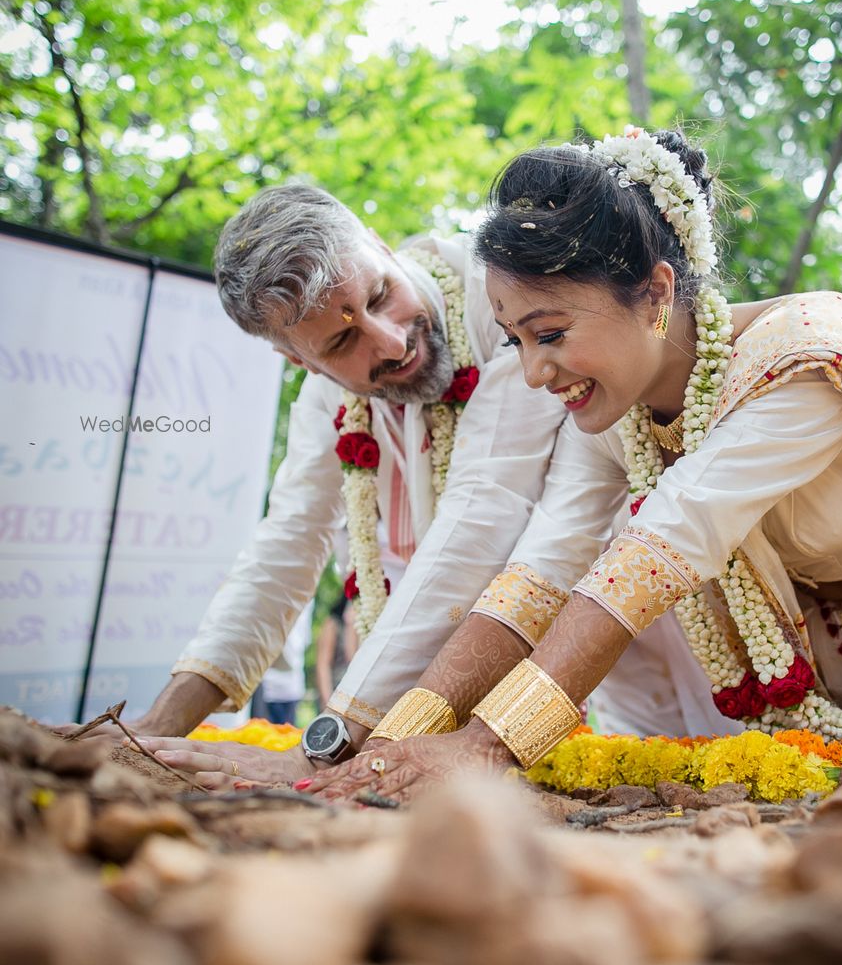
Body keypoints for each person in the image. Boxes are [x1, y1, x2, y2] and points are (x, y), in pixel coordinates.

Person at [303, 126, 842, 804]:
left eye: (550, 334)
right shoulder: (617, 412)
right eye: (516, 341)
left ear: (658, 294)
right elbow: (541, 572)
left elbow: (658, 550)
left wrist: (487, 746)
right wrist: (378, 746)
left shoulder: (801, 360)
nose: (536, 373)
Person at [83, 180, 569, 785]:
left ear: (378, 243)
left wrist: (323, 746)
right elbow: (287, 544)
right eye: (342, 341)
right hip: (431, 716)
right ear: (300, 362)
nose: (391, 340)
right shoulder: (326, 402)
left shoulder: (503, 303)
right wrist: (155, 730)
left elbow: (484, 512)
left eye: (380, 294)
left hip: (594, 650)